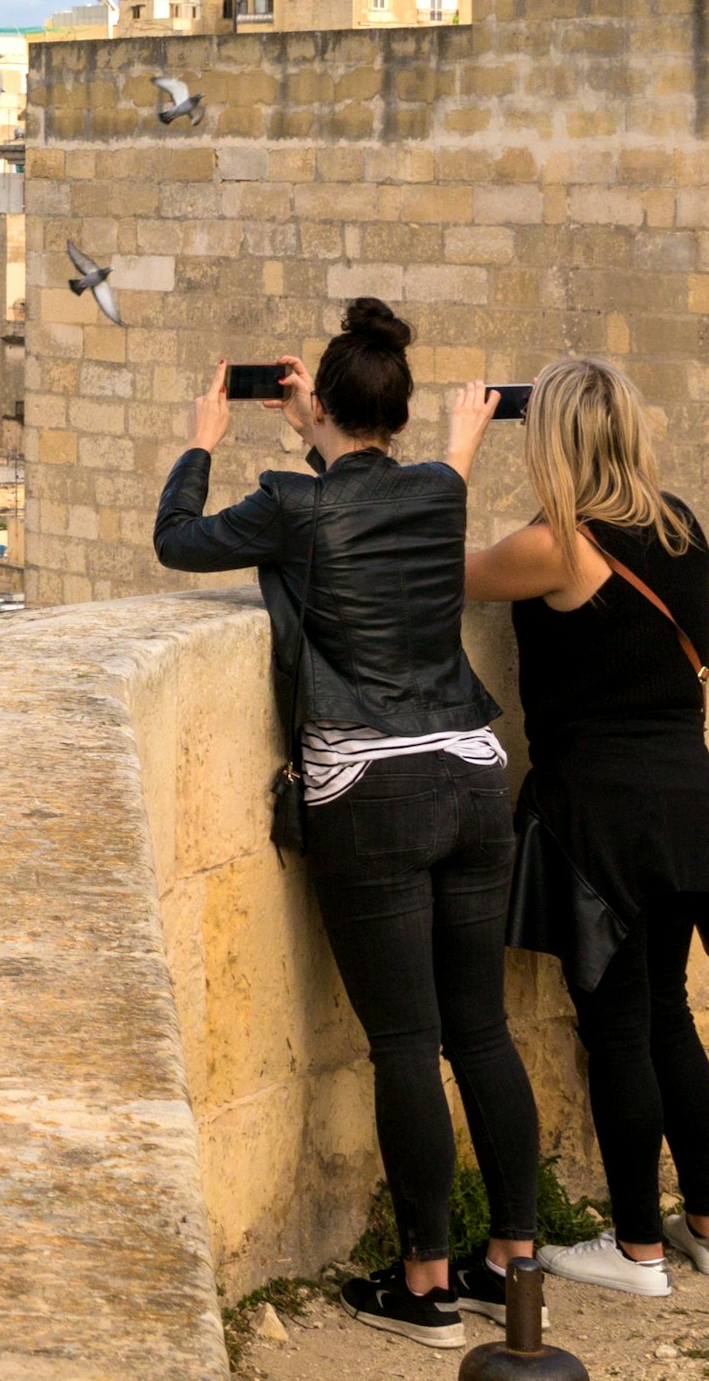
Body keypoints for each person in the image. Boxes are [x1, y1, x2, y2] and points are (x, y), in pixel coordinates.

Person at [158, 298, 541, 1349]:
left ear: (318, 403)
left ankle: (423, 1283)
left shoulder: (292, 502)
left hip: (369, 790)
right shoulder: (439, 492)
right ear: (399, 412)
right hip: (469, 771)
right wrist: (319, 426)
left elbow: (177, 542)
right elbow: (390, 493)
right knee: (482, 1032)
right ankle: (514, 1257)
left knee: (408, 1045)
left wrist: (204, 441)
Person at [465, 355, 709, 1297]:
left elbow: (444, 568)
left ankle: (637, 1249)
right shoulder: (683, 528)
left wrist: (458, 450)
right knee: (668, 1013)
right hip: (687, 801)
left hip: (603, 815)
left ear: (555, 441)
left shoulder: (558, 545)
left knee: (617, 1029)